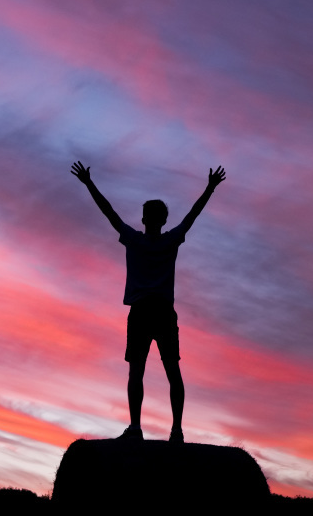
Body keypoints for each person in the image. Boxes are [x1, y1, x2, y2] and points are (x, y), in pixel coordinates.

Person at [70, 161, 226, 443]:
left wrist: (88, 183)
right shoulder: (171, 240)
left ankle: (136, 428)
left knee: (136, 372)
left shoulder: (134, 239)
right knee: (173, 371)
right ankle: (176, 430)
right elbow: (193, 215)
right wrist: (210, 188)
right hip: (164, 311)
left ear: (143, 219)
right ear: (163, 220)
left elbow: (109, 212)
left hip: (141, 311)